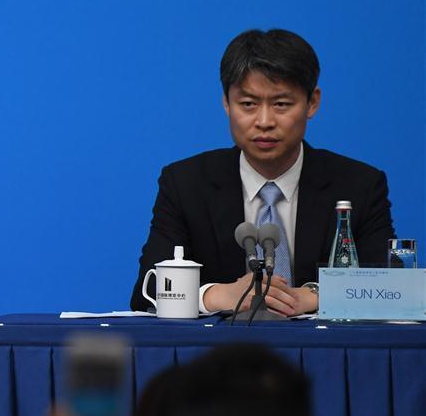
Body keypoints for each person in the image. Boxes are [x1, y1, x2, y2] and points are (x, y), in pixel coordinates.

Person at [130, 28, 395, 316]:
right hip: (221, 357)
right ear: (226, 103)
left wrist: (317, 296)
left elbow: (389, 288)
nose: (265, 121)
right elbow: (148, 291)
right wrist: (217, 295)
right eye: (248, 104)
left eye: (281, 104)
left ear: (313, 102)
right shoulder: (185, 184)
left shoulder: (359, 186)